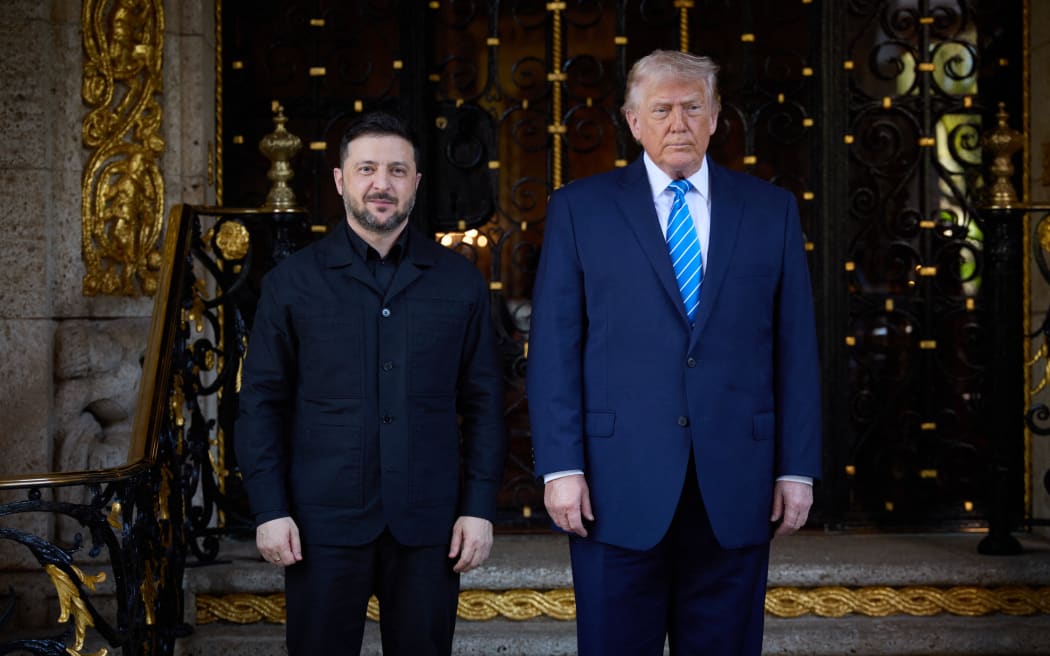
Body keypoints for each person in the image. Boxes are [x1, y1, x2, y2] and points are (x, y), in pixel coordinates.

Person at [526, 50, 822, 655]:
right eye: (661, 109)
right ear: (633, 122)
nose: (678, 123)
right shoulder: (580, 209)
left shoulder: (771, 211)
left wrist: (796, 467)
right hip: (614, 487)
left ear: (716, 118)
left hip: (737, 481)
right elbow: (555, 347)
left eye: (693, 107)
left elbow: (794, 346)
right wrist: (561, 467)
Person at [235, 110, 507, 656]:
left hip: (429, 525)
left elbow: (484, 404)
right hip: (321, 525)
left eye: (397, 171)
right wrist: (269, 508)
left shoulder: (460, 283)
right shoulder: (291, 284)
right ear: (341, 180)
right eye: (366, 170)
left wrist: (478, 507)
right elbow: (261, 404)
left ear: (416, 182)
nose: (381, 184)